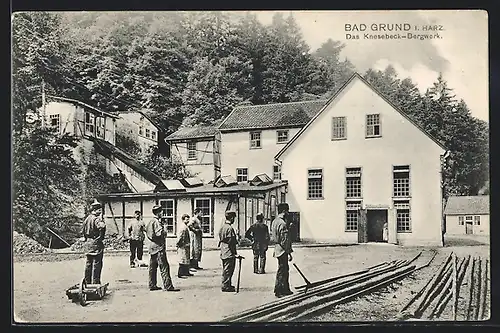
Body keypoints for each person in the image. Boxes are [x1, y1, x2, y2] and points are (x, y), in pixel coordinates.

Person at [145, 205, 179, 292]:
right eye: (162, 212)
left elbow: (148, 233)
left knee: (152, 267)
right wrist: (165, 229)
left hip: (152, 247)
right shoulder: (157, 222)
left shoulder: (150, 221)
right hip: (159, 247)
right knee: (164, 266)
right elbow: (159, 234)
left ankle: (152, 284)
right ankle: (168, 286)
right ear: (159, 212)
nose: (163, 213)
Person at [272, 203, 294, 298]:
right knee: (283, 270)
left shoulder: (275, 221)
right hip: (282, 249)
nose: (288, 213)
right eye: (287, 211)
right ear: (284, 211)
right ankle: (280, 290)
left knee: (282, 269)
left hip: (277, 247)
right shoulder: (282, 223)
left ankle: (284, 289)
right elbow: (285, 240)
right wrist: (289, 252)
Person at [82, 200, 106, 285]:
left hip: (88, 243)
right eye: (99, 210)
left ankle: (87, 282)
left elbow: (83, 231)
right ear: (95, 210)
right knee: (97, 263)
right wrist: (101, 238)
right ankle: (96, 283)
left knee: (88, 263)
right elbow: (102, 227)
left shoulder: (87, 219)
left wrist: (86, 238)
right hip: (96, 243)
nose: (100, 212)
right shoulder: (96, 219)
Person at [218, 211, 238, 292]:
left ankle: (227, 284)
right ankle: (226, 286)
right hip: (229, 251)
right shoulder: (229, 228)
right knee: (228, 269)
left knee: (226, 269)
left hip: (223, 250)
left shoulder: (222, 227)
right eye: (234, 218)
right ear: (232, 218)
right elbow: (231, 242)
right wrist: (234, 253)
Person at [176, 214, 193, 278]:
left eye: (188, 219)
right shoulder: (183, 227)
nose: (188, 220)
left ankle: (186, 272)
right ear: (183, 220)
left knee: (186, 259)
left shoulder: (185, 226)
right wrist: (179, 244)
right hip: (183, 245)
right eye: (186, 219)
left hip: (186, 245)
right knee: (182, 259)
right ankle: (180, 273)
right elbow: (180, 237)